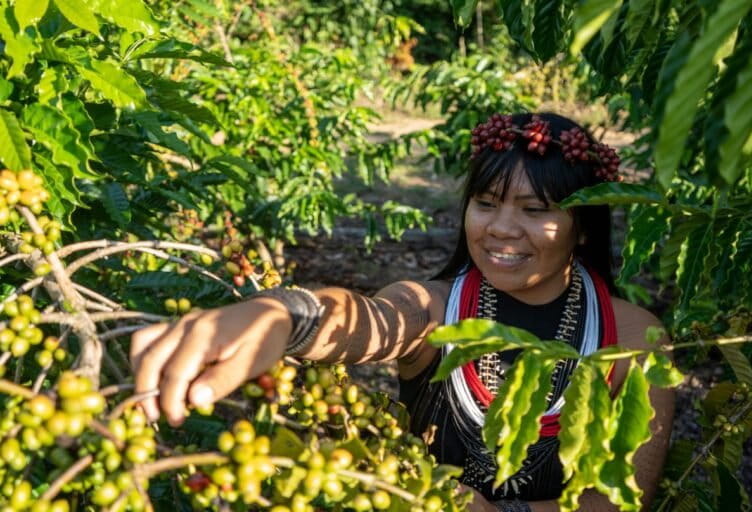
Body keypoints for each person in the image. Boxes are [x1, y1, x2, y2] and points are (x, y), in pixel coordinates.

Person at [131, 112, 674, 511]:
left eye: (534, 210)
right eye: (485, 204)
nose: (501, 229)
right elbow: (373, 320)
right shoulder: (438, 311)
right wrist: (284, 315)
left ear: (582, 226)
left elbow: (623, 501)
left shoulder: (630, 337)